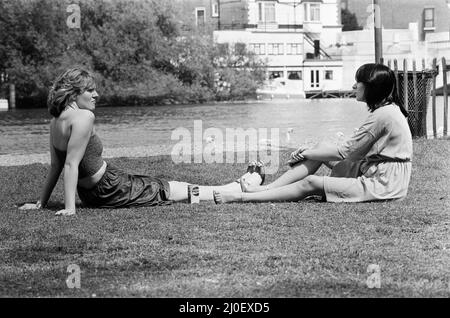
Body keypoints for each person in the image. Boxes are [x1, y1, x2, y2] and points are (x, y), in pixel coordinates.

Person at [19, 67, 263, 215]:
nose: (96, 95)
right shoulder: (84, 117)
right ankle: (241, 188)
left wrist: (42, 203)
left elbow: (56, 166)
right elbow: (69, 165)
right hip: (110, 189)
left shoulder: (56, 121)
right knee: (172, 190)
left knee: (168, 186)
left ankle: (237, 186)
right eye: (90, 91)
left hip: (97, 190)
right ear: (74, 93)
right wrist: (70, 208)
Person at [214, 63, 413, 204]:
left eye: (358, 82)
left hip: (383, 185)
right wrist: (311, 150)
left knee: (311, 182)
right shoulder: (387, 110)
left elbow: (346, 151)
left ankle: (242, 197)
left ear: (371, 87)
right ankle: (268, 188)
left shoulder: (383, 114)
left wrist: (307, 153)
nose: (354, 86)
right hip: (376, 172)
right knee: (319, 146)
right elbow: (354, 151)